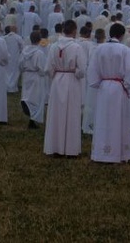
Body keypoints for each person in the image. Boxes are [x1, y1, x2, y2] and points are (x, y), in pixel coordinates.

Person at [87, 23, 130, 163]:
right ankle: (118, 153)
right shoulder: (124, 49)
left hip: (103, 87)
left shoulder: (99, 49)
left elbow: (92, 69)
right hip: (118, 87)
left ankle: (102, 152)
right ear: (122, 35)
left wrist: (98, 84)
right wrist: (126, 85)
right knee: (118, 119)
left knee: (103, 119)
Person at [44, 20, 88, 157]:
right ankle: (70, 149)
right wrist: (74, 71)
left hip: (57, 80)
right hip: (71, 80)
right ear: (74, 31)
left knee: (56, 113)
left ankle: (55, 146)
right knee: (71, 114)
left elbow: (48, 69)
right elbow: (82, 70)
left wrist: (56, 74)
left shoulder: (53, 46)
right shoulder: (76, 47)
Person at [20, 31, 46, 128]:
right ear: (40, 40)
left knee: (27, 94)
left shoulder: (24, 51)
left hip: (27, 75)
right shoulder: (39, 53)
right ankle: (33, 118)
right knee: (36, 98)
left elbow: (20, 64)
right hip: (36, 76)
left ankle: (27, 105)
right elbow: (41, 67)